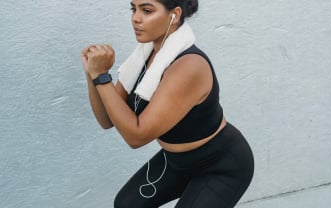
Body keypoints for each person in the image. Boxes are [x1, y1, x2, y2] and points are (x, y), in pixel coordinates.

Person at [80, 0, 254, 207]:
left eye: (146, 10)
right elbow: (107, 119)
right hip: (176, 162)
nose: (136, 18)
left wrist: (101, 76)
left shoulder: (189, 66)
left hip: (220, 164)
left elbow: (137, 136)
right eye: (133, 9)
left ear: (175, 15)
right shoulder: (145, 57)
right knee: (127, 204)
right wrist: (93, 73)